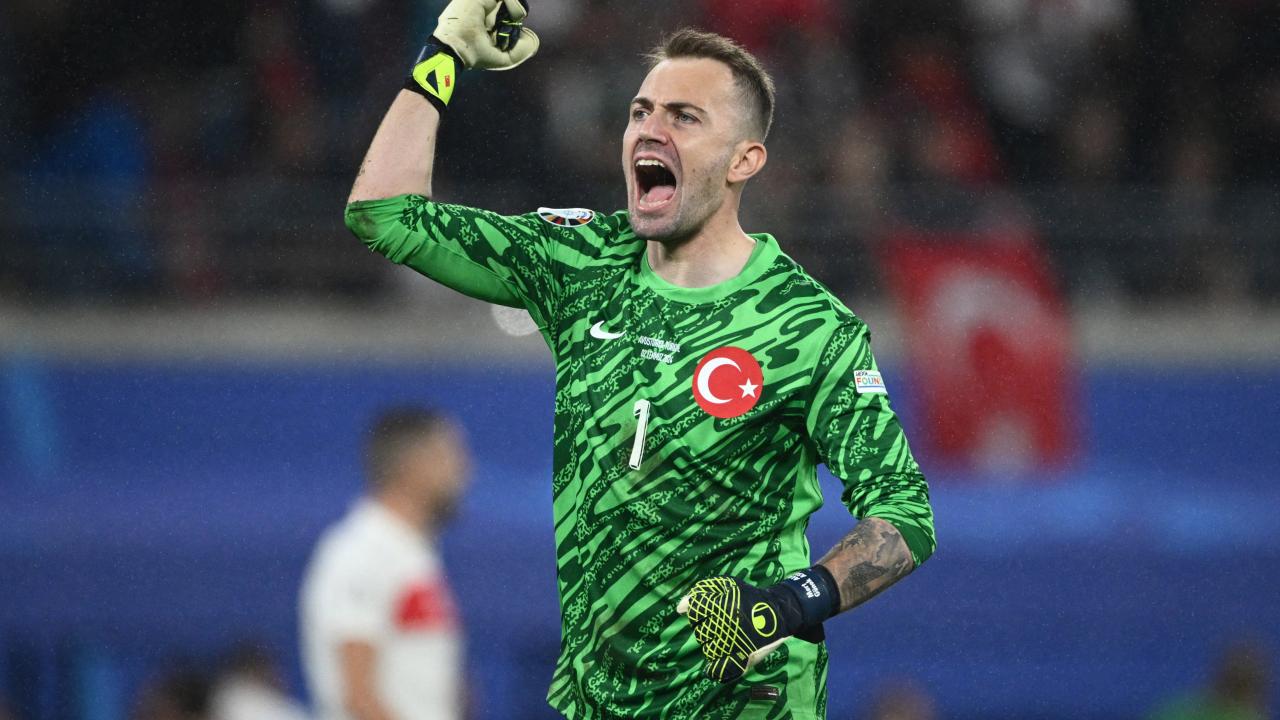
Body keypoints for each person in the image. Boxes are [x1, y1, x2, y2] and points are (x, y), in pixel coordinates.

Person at [343, 2, 936, 716]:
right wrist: (444, 56)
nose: (650, 130)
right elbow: (383, 212)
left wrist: (783, 606)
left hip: (744, 701)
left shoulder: (809, 329)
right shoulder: (580, 262)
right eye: (640, 112)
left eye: (685, 117)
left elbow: (904, 515)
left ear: (744, 159)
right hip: (597, 699)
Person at [299, 408, 470, 720]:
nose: (465, 471)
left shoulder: (411, 554)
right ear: (413, 466)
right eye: (450, 456)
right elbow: (358, 696)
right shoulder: (361, 551)